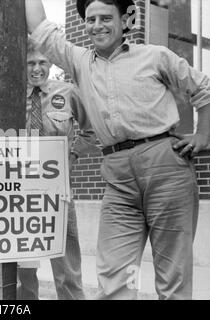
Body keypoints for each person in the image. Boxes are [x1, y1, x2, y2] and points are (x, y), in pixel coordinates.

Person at [25, 0, 210, 299]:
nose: (97, 25)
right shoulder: (80, 61)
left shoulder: (156, 56)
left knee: (172, 278)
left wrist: (203, 134)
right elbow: (39, 26)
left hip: (166, 169)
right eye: (90, 19)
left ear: (125, 19)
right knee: (117, 276)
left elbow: (203, 88)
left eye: (105, 18)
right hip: (119, 179)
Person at [17, 40, 99, 300]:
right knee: (23, 267)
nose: (37, 68)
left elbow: (90, 130)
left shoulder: (70, 93)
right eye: (31, 63)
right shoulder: (10, 97)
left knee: (67, 268)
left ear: (50, 63)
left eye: (42, 62)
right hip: (19, 193)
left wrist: (73, 156)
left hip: (58, 193)